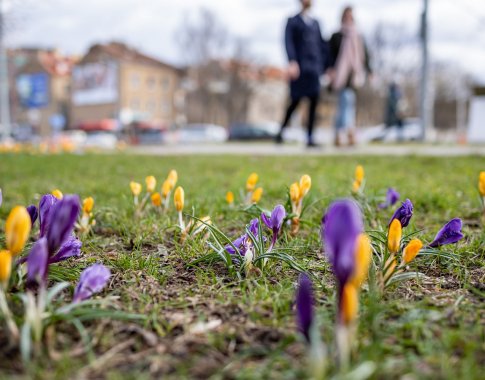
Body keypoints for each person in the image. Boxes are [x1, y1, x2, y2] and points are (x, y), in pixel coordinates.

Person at [276, 0, 329, 148]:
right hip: (299, 69)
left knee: (314, 102)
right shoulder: (293, 21)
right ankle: (281, 132)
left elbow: (322, 46)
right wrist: (292, 61)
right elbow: (288, 42)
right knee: (295, 101)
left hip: (314, 69)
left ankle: (310, 137)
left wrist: (326, 67)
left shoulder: (316, 23)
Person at [327, 6, 372, 146]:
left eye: (350, 16)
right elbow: (330, 55)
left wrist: (369, 71)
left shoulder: (357, 36)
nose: (348, 18)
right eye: (346, 16)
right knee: (346, 102)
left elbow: (364, 55)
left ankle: (340, 133)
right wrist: (330, 70)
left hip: (353, 76)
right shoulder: (336, 36)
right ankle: (348, 131)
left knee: (346, 103)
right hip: (340, 75)